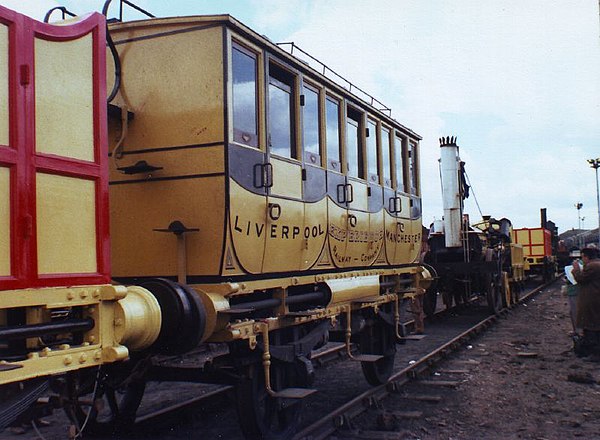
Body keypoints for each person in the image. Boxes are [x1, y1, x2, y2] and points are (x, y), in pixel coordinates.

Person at [572, 247, 600, 358]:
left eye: (582, 257)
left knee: (591, 326)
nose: (582, 259)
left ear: (586, 256)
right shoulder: (596, 264)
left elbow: (580, 278)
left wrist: (576, 269)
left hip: (592, 300)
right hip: (595, 299)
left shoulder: (592, 266)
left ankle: (594, 353)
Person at [564, 249, 581, 335]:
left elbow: (579, 278)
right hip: (573, 291)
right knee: (573, 312)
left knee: (575, 312)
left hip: (575, 291)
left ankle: (578, 332)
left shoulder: (581, 266)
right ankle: (577, 330)